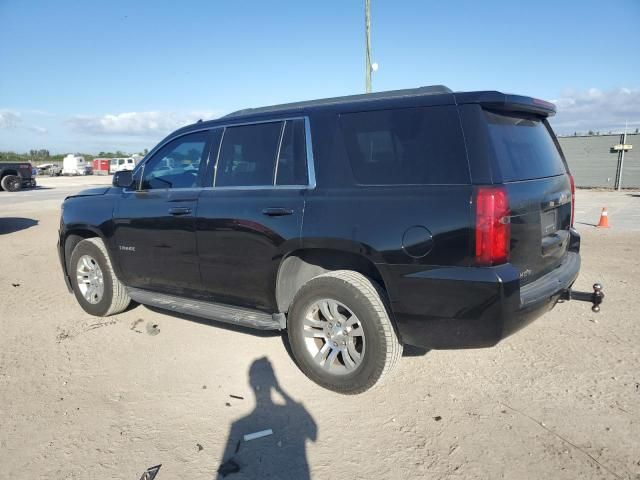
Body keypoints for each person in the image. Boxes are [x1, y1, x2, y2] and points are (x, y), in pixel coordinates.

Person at [217, 357, 317, 479]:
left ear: (251, 384)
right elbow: (313, 435)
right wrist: (280, 390)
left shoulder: (237, 424)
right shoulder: (238, 424)